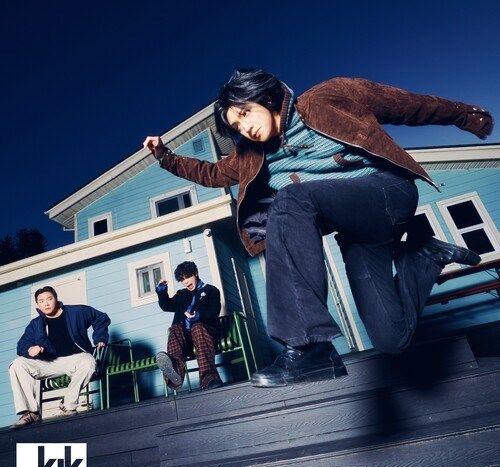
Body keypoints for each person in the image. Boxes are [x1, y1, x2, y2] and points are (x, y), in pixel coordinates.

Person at [143, 69, 493, 388]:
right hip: (357, 232)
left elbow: (405, 105)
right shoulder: (250, 156)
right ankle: (422, 257)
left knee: (290, 199)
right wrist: (165, 156)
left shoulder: (328, 98)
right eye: (236, 126)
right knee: (391, 338)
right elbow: (210, 173)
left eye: (245, 113)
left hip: (387, 193)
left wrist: (465, 115)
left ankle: (308, 345)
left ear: (265, 97)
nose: (244, 128)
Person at [9, 286, 110, 427]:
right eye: (41, 301)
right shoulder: (35, 324)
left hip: (76, 358)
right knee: (17, 364)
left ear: (56, 299)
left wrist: (100, 338)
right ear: (38, 304)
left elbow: (100, 318)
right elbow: (22, 344)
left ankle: (68, 405)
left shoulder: (76, 312)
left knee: (89, 363)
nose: (46, 303)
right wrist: (30, 349)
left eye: (49, 299)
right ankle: (31, 413)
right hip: (50, 362)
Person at [155, 261, 223, 391]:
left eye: (187, 277)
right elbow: (166, 306)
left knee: (197, 327)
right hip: (187, 340)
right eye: (182, 280)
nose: (185, 282)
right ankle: (175, 373)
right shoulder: (182, 294)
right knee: (175, 328)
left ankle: (209, 379)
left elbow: (214, 312)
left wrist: (198, 316)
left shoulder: (211, 290)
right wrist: (162, 291)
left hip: (205, 334)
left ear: (195, 273)